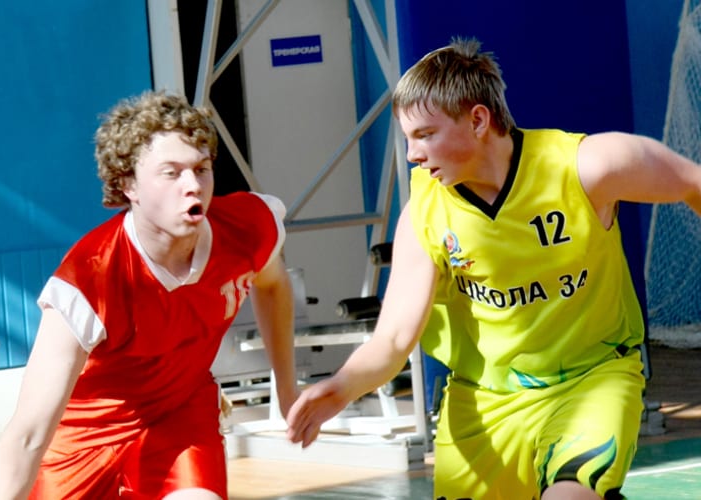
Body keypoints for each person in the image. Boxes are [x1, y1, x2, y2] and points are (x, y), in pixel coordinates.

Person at [285, 37, 701, 500]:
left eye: (425, 134)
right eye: (407, 138)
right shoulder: (424, 215)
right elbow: (394, 339)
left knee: (570, 495)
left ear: (479, 120)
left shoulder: (586, 167)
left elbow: (692, 182)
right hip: (482, 404)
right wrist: (341, 387)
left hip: (591, 381)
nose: (412, 154)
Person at [0, 90, 300, 500]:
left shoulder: (248, 227)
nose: (193, 186)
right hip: (83, 440)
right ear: (128, 184)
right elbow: (27, 435)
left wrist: (287, 390)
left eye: (201, 169)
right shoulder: (89, 277)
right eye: (171, 173)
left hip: (181, 417)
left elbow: (272, 286)